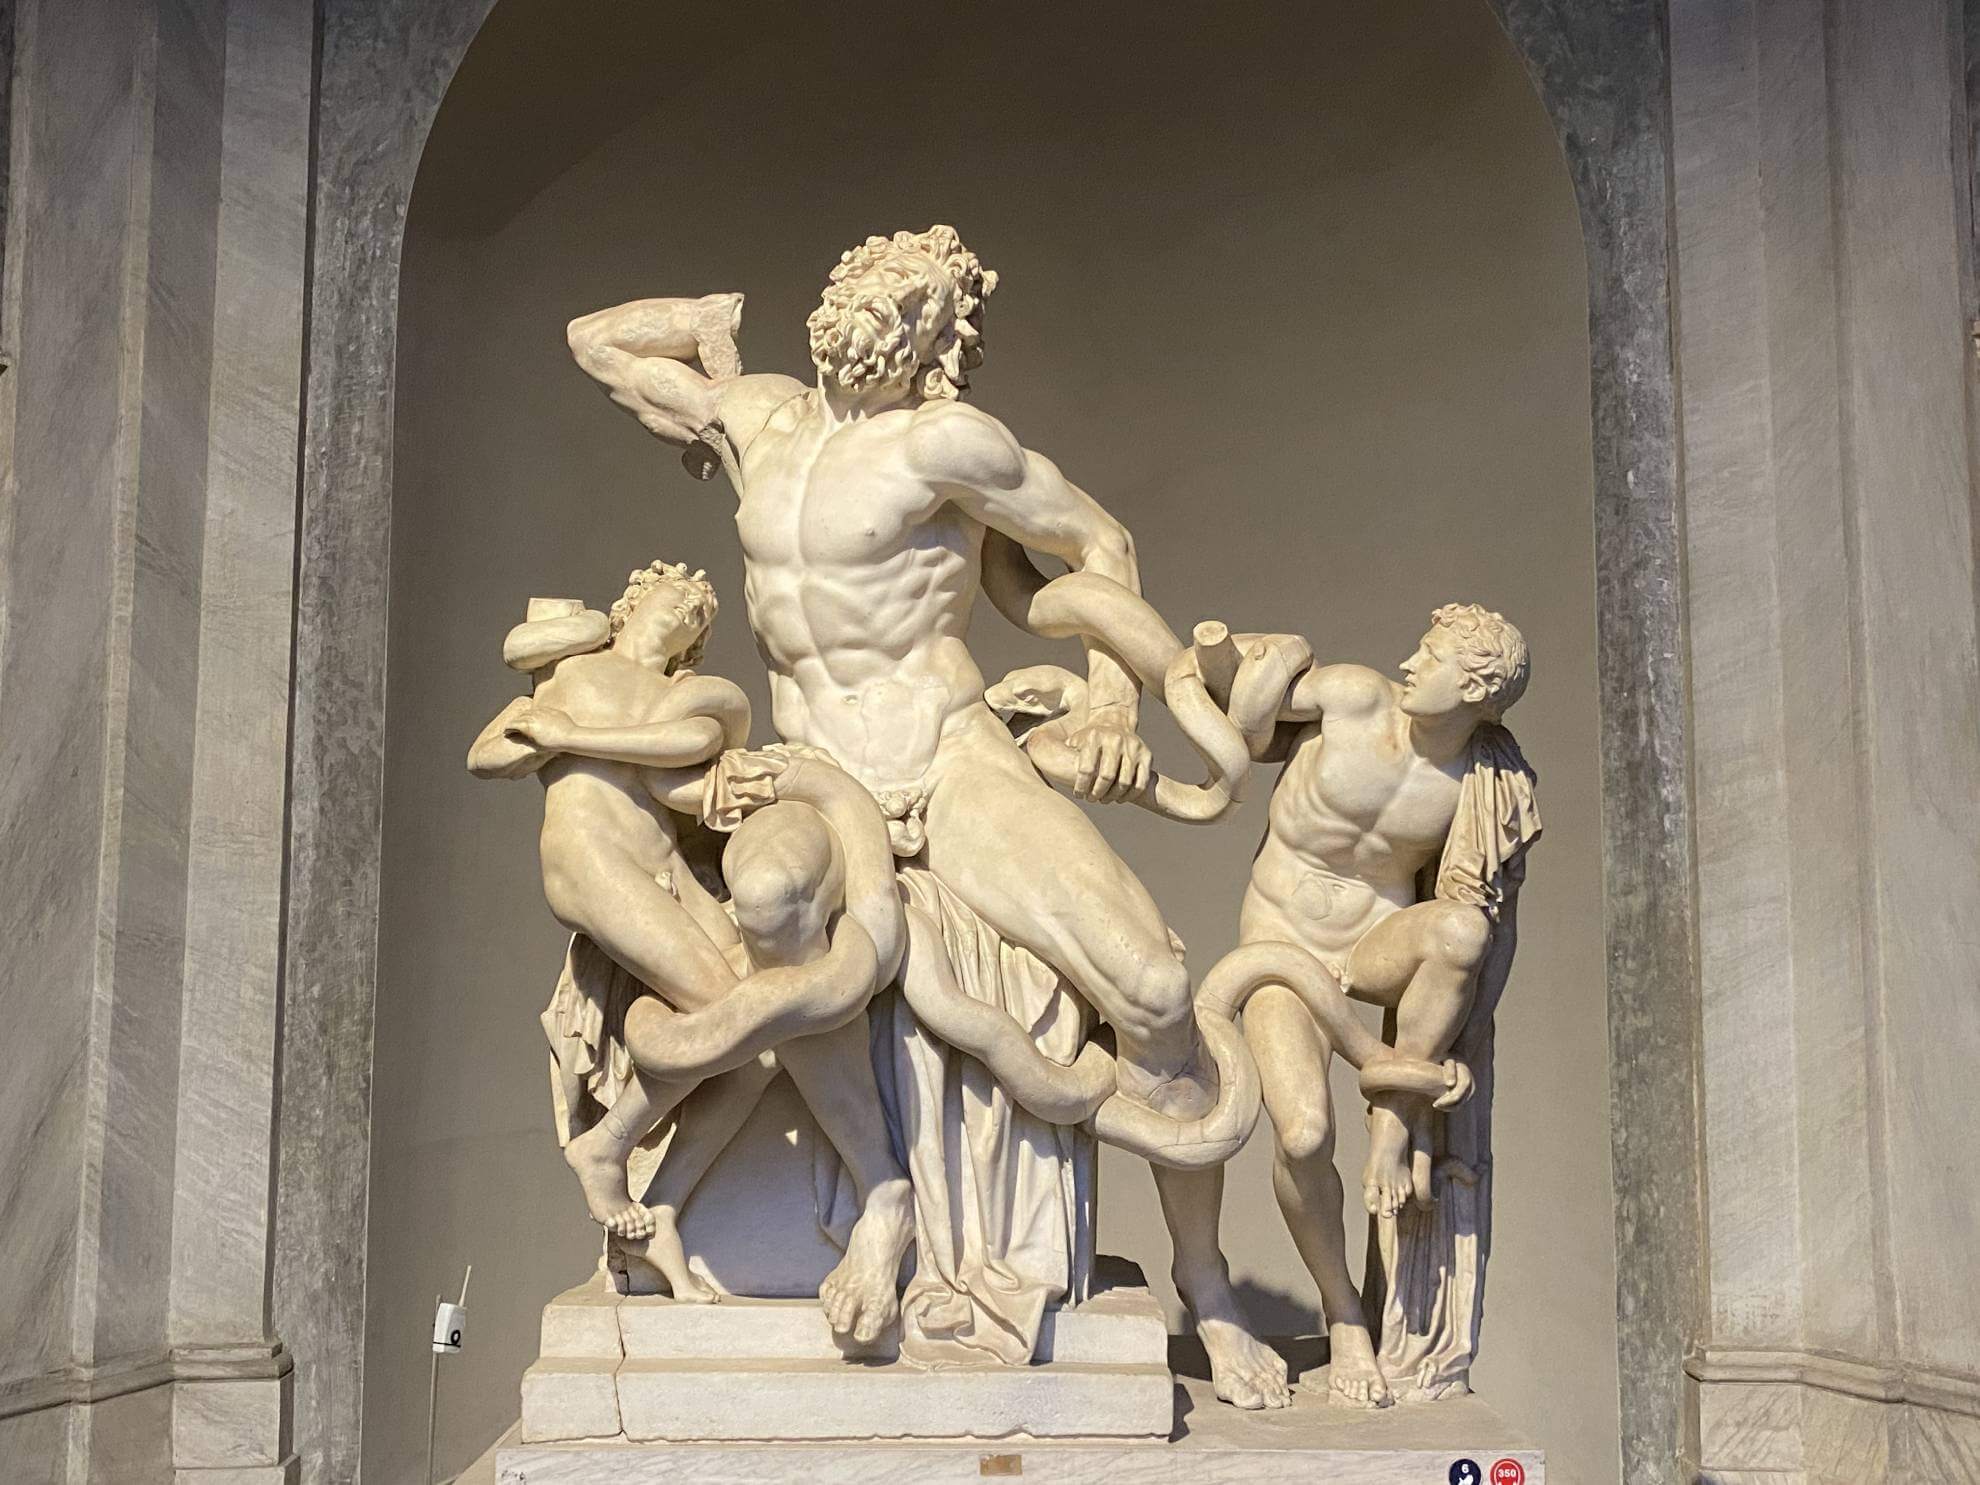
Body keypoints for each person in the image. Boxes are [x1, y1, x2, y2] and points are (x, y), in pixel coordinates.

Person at [565, 227, 1218, 1133]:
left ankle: (1188, 1188)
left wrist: (1112, 705)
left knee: (1154, 988)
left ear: (941, 343)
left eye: (917, 300)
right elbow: (596, 343)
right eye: (876, 281)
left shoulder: (946, 443)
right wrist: (705, 320)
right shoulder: (756, 418)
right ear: (834, 293)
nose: (887, 303)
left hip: (948, 763)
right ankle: (872, 1177)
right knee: (768, 897)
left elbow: (1100, 541)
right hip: (813, 771)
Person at [1153, 604, 1540, 1410]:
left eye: (1431, 657)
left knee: (1462, 930)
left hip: (1371, 947)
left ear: (1474, 690)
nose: (1410, 662)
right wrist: (1262, 656)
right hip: (1281, 946)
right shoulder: (1355, 698)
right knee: (1303, 1135)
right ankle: (1343, 1309)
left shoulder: (1481, 785)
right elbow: (1240, 711)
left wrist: (1455, 1066)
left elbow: (1486, 921)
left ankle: (1392, 1123)